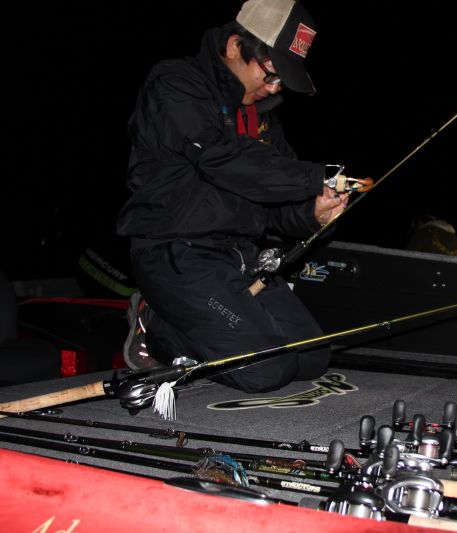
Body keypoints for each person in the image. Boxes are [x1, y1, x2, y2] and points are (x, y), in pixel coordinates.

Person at [117, 0, 352, 393]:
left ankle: (197, 324)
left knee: (312, 357)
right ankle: (156, 326)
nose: (273, 88)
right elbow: (221, 159)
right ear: (234, 46)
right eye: (271, 74)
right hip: (175, 254)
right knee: (267, 369)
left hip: (238, 257)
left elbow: (276, 208)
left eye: (281, 82)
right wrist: (314, 176)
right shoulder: (176, 84)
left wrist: (315, 213)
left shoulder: (262, 118)